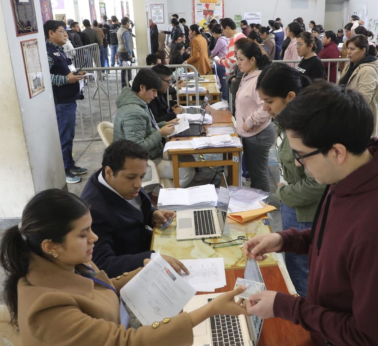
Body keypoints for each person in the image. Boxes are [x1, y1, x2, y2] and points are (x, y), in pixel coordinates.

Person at [243, 83, 378, 346]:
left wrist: (288, 307)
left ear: (337, 152)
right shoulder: (347, 178)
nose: (299, 164)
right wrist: (286, 239)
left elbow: (369, 338)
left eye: (302, 156)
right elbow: (334, 237)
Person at [0, 189, 248, 345]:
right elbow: (123, 342)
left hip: (133, 320)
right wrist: (208, 311)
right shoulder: (47, 309)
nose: (94, 239)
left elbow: (100, 288)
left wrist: (145, 271)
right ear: (50, 245)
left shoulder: (65, 262)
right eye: (83, 234)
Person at [256, 64, 325, 298]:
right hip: (292, 204)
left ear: (290, 97)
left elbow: (318, 183)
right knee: (295, 266)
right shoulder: (285, 122)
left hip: (304, 210)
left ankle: (304, 325)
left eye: (269, 101)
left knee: (300, 273)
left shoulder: (306, 129)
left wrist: (283, 193)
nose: (265, 108)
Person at [81, 139, 184, 276]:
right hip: (132, 267)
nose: (138, 184)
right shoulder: (94, 210)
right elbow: (103, 264)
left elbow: (134, 208)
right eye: (131, 177)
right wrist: (152, 259)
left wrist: (152, 214)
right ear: (109, 172)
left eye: (142, 177)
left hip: (146, 243)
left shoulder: (116, 179)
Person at [113, 68, 195, 187]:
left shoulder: (138, 103)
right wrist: (160, 133)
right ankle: (162, 198)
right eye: (153, 91)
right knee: (188, 171)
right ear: (142, 87)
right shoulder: (133, 112)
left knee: (189, 159)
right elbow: (137, 147)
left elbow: (147, 127)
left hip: (149, 155)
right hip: (140, 162)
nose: (155, 95)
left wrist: (165, 124)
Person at [44, 20, 88, 184]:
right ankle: (64, 171)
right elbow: (45, 77)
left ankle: (69, 164)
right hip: (61, 101)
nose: (66, 34)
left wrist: (76, 74)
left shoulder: (59, 51)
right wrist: (65, 79)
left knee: (69, 135)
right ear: (51, 33)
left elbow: (65, 71)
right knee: (64, 137)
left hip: (69, 98)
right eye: (62, 31)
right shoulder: (47, 52)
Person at [235, 41, 274, 192]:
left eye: (241, 59)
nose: (238, 63)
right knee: (255, 173)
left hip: (258, 134)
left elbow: (266, 108)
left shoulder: (258, 79)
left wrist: (250, 121)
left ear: (253, 60)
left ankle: (263, 209)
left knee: (259, 175)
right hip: (251, 134)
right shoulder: (247, 75)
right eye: (237, 58)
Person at [339, 34, 378, 137]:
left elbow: (364, 100)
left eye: (352, 49)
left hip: (359, 120)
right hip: (346, 115)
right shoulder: (351, 65)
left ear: (363, 50)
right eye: (348, 48)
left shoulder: (368, 70)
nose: (348, 52)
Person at [210, 24, 229, 100]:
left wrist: (212, 54)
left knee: (222, 81)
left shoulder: (220, 40)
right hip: (224, 62)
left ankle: (224, 97)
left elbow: (214, 52)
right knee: (223, 81)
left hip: (221, 62)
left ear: (215, 32)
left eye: (212, 33)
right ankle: (225, 96)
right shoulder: (225, 39)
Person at [117, 17, 133, 87]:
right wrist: (130, 53)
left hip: (120, 51)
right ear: (127, 23)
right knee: (128, 68)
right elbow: (127, 43)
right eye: (129, 22)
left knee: (123, 68)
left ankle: (123, 84)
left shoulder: (119, 29)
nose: (129, 23)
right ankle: (129, 84)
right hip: (125, 52)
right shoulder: (125, 31)